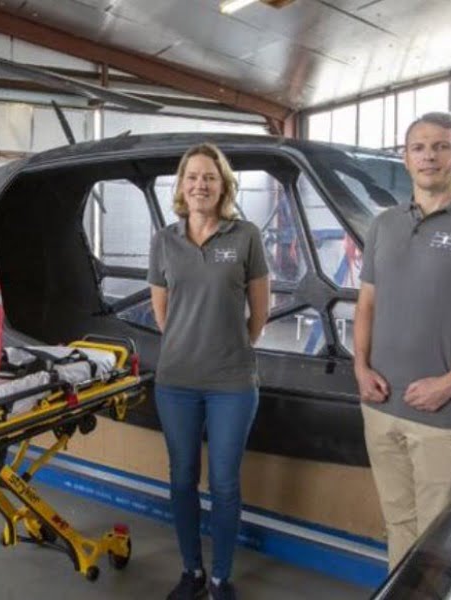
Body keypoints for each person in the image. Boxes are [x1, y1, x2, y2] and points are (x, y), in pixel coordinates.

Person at [148, 143, 270, 600]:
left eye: (210, 177)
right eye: (192, 177)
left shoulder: (246, 235)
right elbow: (163, 314)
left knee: (223, 481)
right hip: (176, 382)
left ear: (223, 186)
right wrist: (188, 344)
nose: (201, 185)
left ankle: (220, 577)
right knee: (182, 477)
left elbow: (259, 313)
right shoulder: (164, 240)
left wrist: (229, 349)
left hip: (232, 384)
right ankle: (191, 572)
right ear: (181, 185)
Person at [354, 111, 451, 571]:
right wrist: (360, 369)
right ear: (404, 159)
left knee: (436, 538)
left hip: (442, 416)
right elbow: (367, 304)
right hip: (380, 406)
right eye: (419, 148)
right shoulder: (384, 225)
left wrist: (448, 385)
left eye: (441, 146)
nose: (429, 157)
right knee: (399, 524)